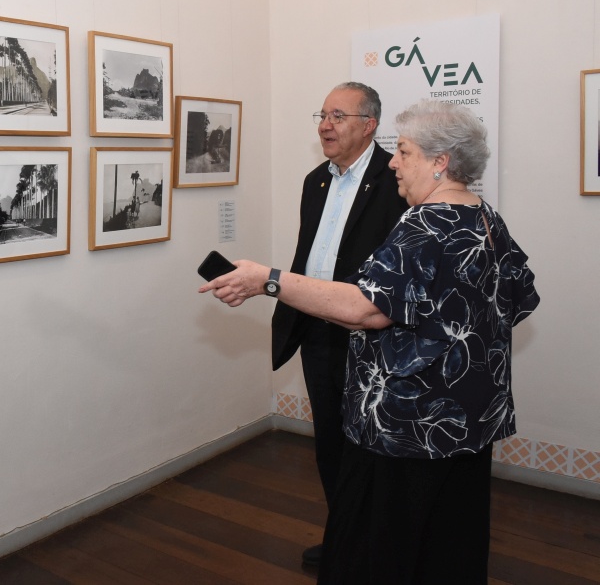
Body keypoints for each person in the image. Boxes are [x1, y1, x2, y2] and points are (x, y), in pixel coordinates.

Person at [200, 100, 540, 584]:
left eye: (403, 151)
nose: (393, 162)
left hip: (409, 426)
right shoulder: (484, 217)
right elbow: (521, 298)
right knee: (449, 545)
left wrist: (267, 280)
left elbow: (366, 308)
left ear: (440, 161)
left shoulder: (426, 224)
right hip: (468, 417)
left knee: (381, 549)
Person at [272, 82, 408, 566]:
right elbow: (309, 254)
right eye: (322, 115)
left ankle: (380, 550)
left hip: (374, 336)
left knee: (372, 448)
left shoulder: (398, 180)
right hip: (318, 331)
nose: (325, 125)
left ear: (369, 125)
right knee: (330, 440)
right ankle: (345, 540)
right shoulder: (316, 181)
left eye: (338, 116)